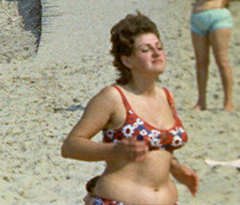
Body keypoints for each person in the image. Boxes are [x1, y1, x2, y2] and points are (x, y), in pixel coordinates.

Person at [61, 13, 199, 204]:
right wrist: (115, 150)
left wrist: (174, 167)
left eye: (159, 47)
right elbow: (70, 146)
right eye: (146, 50)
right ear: (127, 61)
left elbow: (158, 148)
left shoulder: (167, 96)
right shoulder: (114, 97)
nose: (157, 53)